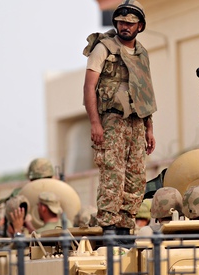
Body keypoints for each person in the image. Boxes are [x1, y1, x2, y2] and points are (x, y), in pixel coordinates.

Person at [83, 0, 157, 239]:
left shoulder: (142, 53)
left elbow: (145, 92)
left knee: (136, 177)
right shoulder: (103, 48)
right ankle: (109, 230)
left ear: (140, 26)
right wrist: (95, 122)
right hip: (112, 121)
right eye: (121, 22)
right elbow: (89, 88)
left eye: (131, 23)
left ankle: (126, 228)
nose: (125, 26)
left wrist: (149, 128)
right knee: (112, 174)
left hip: (137, 122)